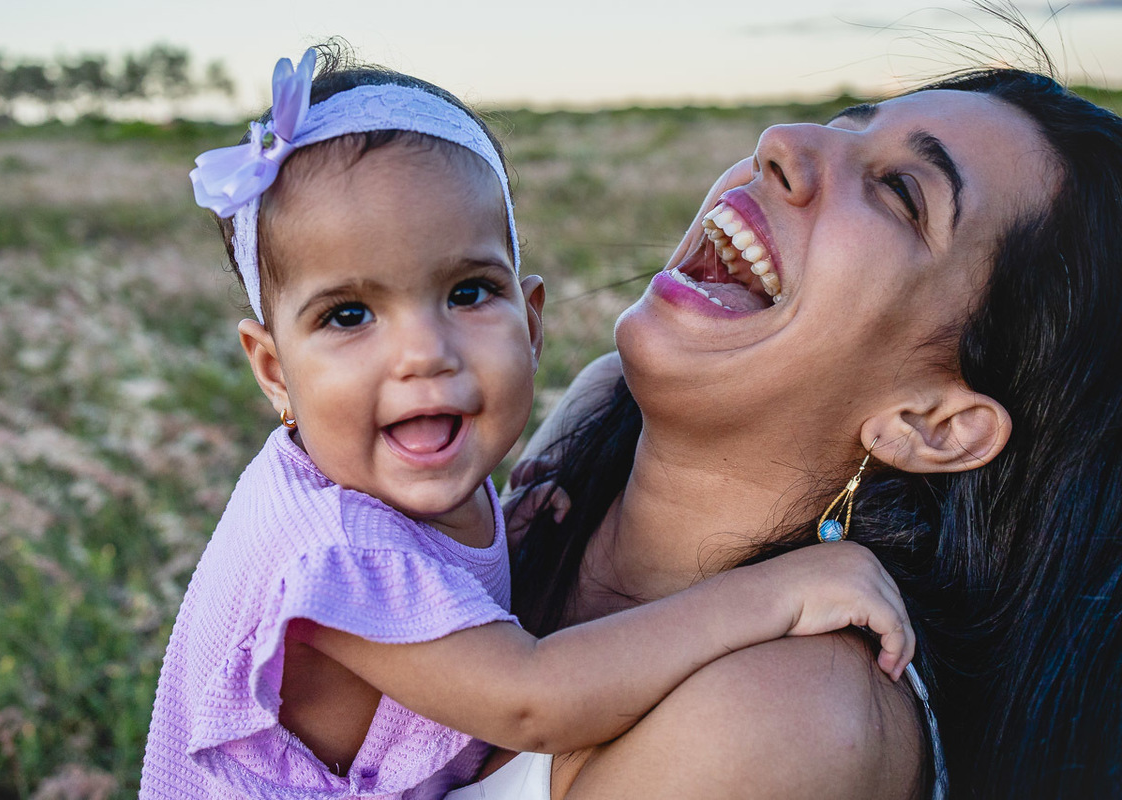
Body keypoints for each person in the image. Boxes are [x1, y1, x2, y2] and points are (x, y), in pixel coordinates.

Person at [138, 45, 918, 800]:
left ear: (531, 320)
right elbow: (534, 699)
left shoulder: (418, 490)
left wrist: (502, 540)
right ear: (275, 371)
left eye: (468, 292)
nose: (423, 352)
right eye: (349, 315)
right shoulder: (333, 555)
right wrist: (778, 594)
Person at [451, 62, 1122, 799]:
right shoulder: (592, 417)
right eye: (845, 126)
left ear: (932, 425)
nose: (780, 143)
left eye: (902, 193)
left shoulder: (791, 718)